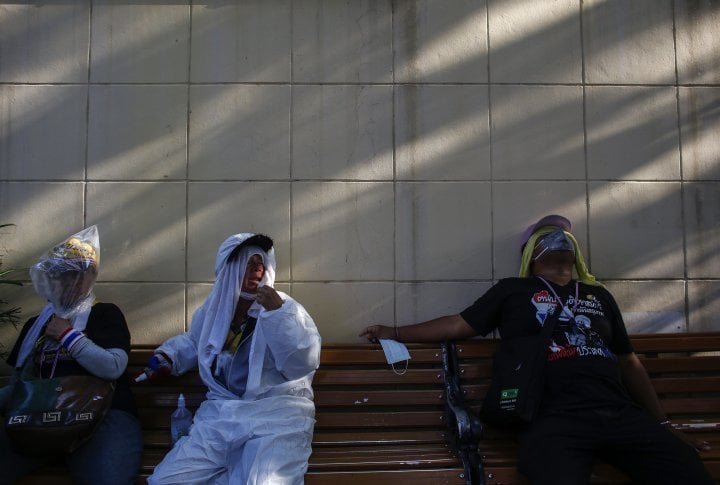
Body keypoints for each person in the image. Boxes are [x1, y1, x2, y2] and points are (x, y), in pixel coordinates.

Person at [360, 215, 714, 485]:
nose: (560, 241)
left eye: (566, 236)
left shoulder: (598, 295)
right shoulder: (514, 291)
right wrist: (394, 331)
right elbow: (458, 324)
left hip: (618, 413)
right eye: (548, 237)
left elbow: (628, 359)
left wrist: (663, 423)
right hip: (553, 417)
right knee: (548, 472)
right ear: (532, 254)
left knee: (686, 470)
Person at [143, 233, 321, 485]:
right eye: (248, 263)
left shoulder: (286, 307)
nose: (257, 268)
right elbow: (196, 342)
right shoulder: (213, 310)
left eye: (261, 263)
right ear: (229, 268)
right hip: (221, 416)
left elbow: (302, 362)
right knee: (166, 481)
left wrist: (277, 314)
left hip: (276, 417)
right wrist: (169, 357)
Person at [0, 226, 142, 485]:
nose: (70, 283)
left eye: (79, 275)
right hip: (35, 417)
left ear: (91, 278)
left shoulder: (104, 313)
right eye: (62, 276)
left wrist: (69, 336)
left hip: (102, 415)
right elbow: (18, 386)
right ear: (49, 280)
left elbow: (113, 367)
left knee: (108, 479)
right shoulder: (36, 324)